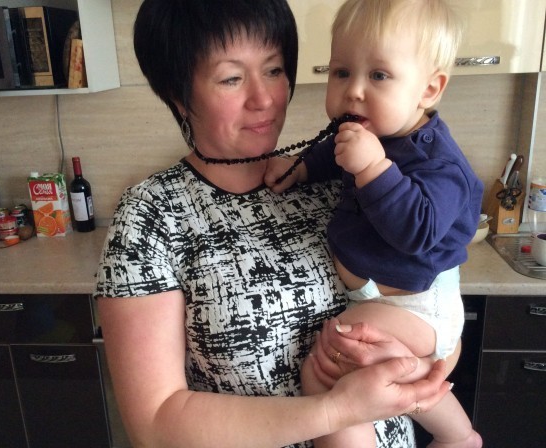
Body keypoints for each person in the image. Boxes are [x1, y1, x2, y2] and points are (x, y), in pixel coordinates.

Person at [94, 1, 453, 447]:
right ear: (178, 95)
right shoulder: (150, 216)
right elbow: (155, 424)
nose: (263, 99)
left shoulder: (348, 178)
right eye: (231, 78)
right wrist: (336, 410)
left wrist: (412, 363)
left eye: (274, 70)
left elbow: (437, 311)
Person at [265, 1, 484, 447]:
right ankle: (459, 438)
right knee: (382, 367)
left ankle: (458, 436)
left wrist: (373, 169)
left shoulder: (441, 165)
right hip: (384, 300)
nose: (354, 91)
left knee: (327, 365)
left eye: (379, 75)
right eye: (341, 72)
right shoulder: (375, 135)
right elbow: (333, 154)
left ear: (429, 89)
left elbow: (418, 231)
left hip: (417, 306)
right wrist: (302, 167)